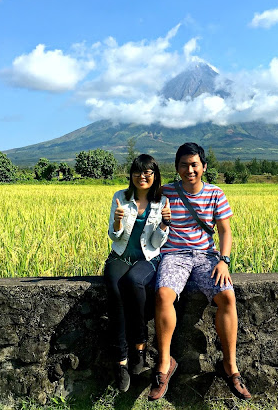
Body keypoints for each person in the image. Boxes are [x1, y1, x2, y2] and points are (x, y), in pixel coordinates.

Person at [148, 142, 252, 401]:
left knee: (227, 296)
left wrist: (224, 260)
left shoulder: (216, 194)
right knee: (163, 294)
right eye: (184, 165)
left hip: (207, 257)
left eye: (194, 164)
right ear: (177, 168)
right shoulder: (166, 192)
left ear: (204, 167)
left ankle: (230, 366)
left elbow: (225, 230)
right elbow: (141, 203)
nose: (189, 170)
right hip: (174, 256)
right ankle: (164, 364)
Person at [106, 154, 171, 392]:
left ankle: (140, 348)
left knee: (135, 281)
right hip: (121, 256)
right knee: (115, 291)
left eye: (147, 173)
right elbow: (114, 237)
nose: (141, 177)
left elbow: (156, 243)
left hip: (148, 258)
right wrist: (116, 222)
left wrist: (164, 224)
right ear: (131, 175)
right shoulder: (120, 198)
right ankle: (121, 361)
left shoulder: (162, 201)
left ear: (155, 175)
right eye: (137, 172)